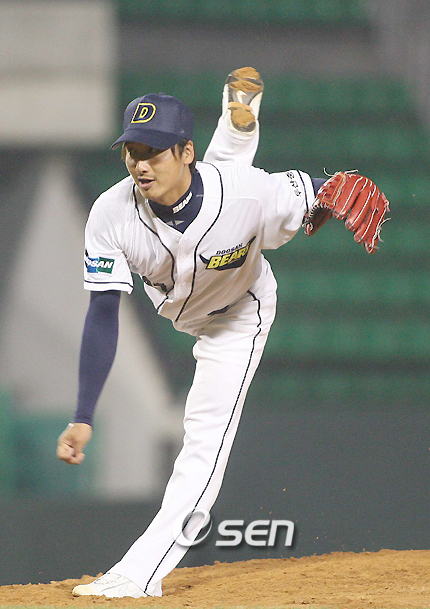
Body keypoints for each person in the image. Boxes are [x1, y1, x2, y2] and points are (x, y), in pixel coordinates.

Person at [57, 67, 389, 598]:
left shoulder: (250, 195)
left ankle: (140, 574)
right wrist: (82, 414)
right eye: (132, 151)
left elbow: (307, 192)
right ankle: (238, 119)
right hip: (184, 298)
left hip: (238, 311)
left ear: (183, 150)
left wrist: (329, 192)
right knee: (220, 179)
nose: (140, 164)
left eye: (154, 151)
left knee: (203, 440)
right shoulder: (110, 214)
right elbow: (102, 313)